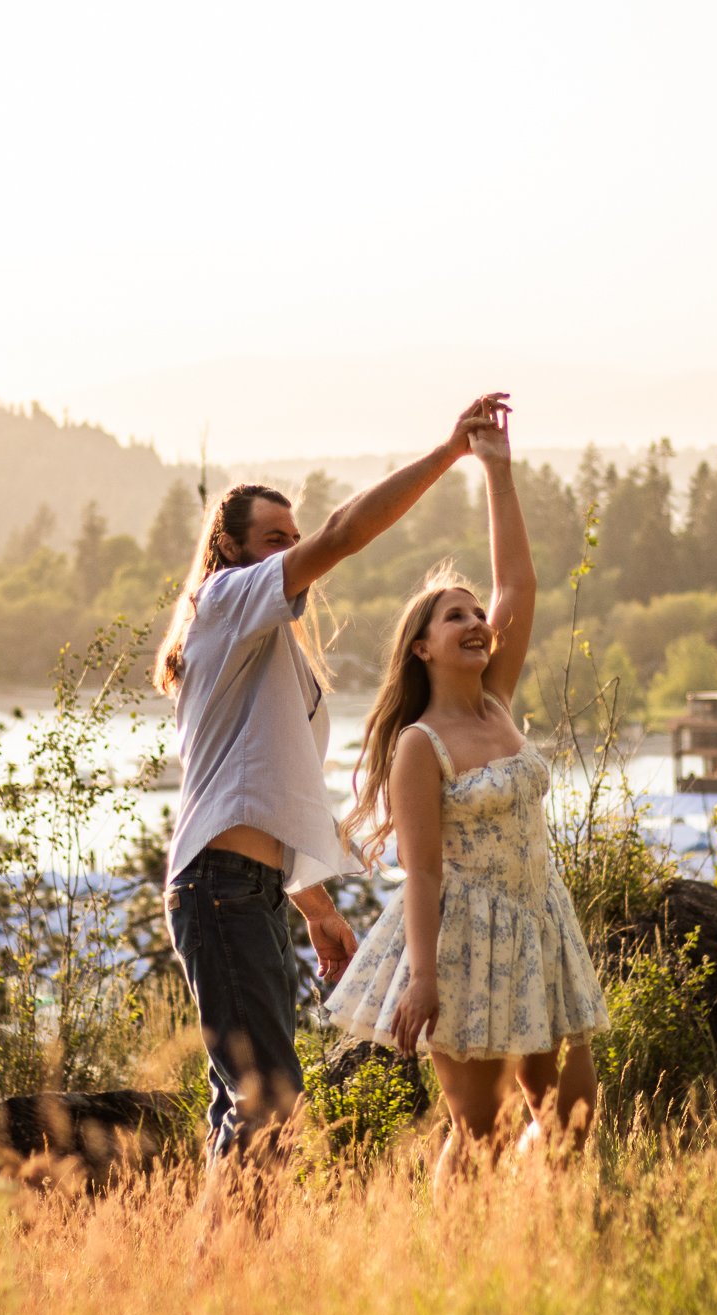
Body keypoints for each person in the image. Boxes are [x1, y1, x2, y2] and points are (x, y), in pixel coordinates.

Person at [155, 393, 510, 1163]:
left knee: (253, 1097)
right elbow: (346, 533)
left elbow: (260, 786)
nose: (294, 547)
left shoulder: (264, 644)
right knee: (267, 1096)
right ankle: (223, 1267)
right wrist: (450, 453)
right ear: (235, 552)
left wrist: (312, 903)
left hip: (243, 884)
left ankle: (222, 1270)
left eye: (293, 533)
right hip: (218, 885)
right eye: (274, 538)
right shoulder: (224, 601)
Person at [324, 404, 608, 1183]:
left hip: (541, 923)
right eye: (458, 617)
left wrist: (498, 471)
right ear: (422, 646)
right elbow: (422, 873)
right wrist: (423, 978)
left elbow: (518, 579)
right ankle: (451, 1252)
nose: (480, 621)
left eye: (479, 614)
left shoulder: (498, 700)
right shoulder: (421, 744)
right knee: (478, 1132)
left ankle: (533, 1229)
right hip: (466, 944)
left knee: (573, 1117)